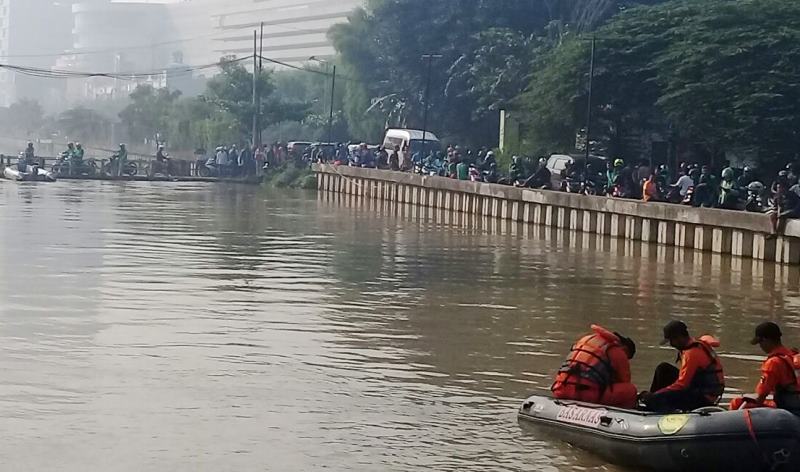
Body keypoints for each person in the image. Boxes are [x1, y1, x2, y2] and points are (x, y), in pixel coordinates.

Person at [640, 321, 725, 413]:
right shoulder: (697, 344)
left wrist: (656, 395)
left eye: (671, 341)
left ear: (679, 337)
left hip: (703, 398)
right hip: (699, 389)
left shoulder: (691, 354)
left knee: (656, 397)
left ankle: (657, 407)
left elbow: (682, 384)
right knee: (663, 369)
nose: (671, 344)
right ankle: (653, 404)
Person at [551, 325, 638, 408]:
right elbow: (625, 381)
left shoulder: (585, 340)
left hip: (561, 389)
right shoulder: (617, 351)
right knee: (631, 390)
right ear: (625, 349)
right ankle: (622, 413)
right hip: (586, 395)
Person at [730, 322, 800, 412]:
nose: (760, 346)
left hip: (788, 410)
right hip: (794, 405)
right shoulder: (791, 355)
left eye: (760, 343)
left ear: (765, 340)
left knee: (737, 402)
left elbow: (760, 397)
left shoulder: (773, 363)